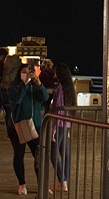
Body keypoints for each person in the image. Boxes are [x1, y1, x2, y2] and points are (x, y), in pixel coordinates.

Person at [5, 63, 50, 196]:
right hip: (18, 126)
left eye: (28, 72)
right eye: (23, 72)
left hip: (35, 125)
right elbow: (16, 100)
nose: (26, 74)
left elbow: (45, 98)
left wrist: (39, 84)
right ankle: (22, 184)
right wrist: (24, 84)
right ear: (19, 74)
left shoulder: (34, 86)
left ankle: (42, 185)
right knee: (19, 154)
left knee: (39, 155)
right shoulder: (14, 87)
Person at [47, 62, 75, 193]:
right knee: (65, 153)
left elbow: (57, 110)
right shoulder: (69, 88)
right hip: (67, 124)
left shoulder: (60, 89)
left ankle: (62, 181)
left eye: (56, 71)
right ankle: (65, 181)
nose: (54, 74)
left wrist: (52, 130)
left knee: (53, 153)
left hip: (58, 124)